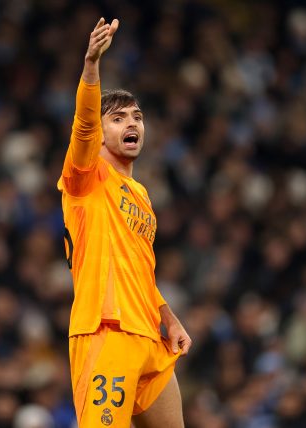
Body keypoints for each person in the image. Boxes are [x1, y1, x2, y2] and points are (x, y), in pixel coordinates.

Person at [58, 17, 192, 428]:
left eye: (136, 116)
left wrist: (167, 315)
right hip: (106, 332)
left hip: (147, 335)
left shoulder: (142, 196)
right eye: (117, 118)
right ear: (98, 135)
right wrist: (91, 66)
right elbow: (82, 124)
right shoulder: (85, 179)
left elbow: (139, 269)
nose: (132, 123)